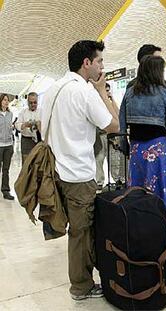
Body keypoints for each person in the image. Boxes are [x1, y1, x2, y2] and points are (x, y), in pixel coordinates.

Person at [41, 40, 119, 300]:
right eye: (100, 62)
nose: (102, 67)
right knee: (81, 233)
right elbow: (113, 125)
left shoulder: (53, 89)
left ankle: (83, 280)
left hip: (56, 173)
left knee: (77, 230)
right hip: (79, 175)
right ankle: (81, 286)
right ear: (87, 63)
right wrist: (102, 92)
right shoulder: (83, 92)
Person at [119, 55, 166, 208]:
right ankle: (160, 228)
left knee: (137, 195)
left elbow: (122, 126)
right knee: (160, 197)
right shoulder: (164, 93)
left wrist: (125, 146)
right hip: (159, 150)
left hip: (136, 150)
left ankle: (140, 227)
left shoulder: (129, 93)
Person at [94, 83, 121, 190]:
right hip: (99, 134)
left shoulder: (110, 102)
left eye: (108, 90)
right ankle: (99, 181)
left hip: (111, 135)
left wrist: (111, 99)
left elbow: (118, 115)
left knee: (114, 158)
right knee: (99, 158)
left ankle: (117, 179)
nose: (106, 92)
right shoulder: (95, 102)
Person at [15, 92, 41, 164]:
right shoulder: (23, 112)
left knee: (38, 163)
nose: (33, 105)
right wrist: (24, 125)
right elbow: (17, 124)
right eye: (30, 103)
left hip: (38, 142)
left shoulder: (41, 112)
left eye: (35, 102)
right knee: (26, 164)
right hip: (26, 141)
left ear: (37, 102)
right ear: (27, 102)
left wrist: (39, 125)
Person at [0, 94, 15, 200]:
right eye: (4, 100)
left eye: (7, 100)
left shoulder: (10, 114)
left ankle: (5, 191)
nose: (6, 102)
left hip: (8, 145)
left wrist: (12, 127)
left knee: (6, 169)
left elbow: (10, 127)